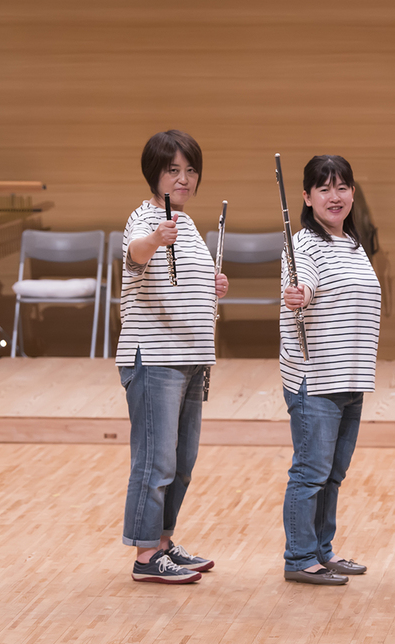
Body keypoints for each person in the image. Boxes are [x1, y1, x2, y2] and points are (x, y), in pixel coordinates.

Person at [117, 130, 229, 584]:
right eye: (173, 170)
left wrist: (213, 285)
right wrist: (154, 239)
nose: (184, 179)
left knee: (182, 463)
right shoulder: (145, 218)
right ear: (155, 174)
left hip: (192, 358)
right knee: (155, 461)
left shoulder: (187, 224)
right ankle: (146, 556)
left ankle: (163, 543)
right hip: (156, 358)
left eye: (190, 170)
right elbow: (135, 253)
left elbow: (187, 284)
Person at [280, 155, 381, 585]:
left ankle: (322, 551)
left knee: (332, 475)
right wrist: (299, 294)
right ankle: (300, 558)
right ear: (307, 197)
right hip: (317, 381)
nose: (334, 196)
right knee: (310, 474)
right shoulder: (303, 246)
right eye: (324, 189)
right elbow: (303, 283)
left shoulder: (352, 244)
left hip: (351, 378)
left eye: (341, 187)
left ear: (353, 193)